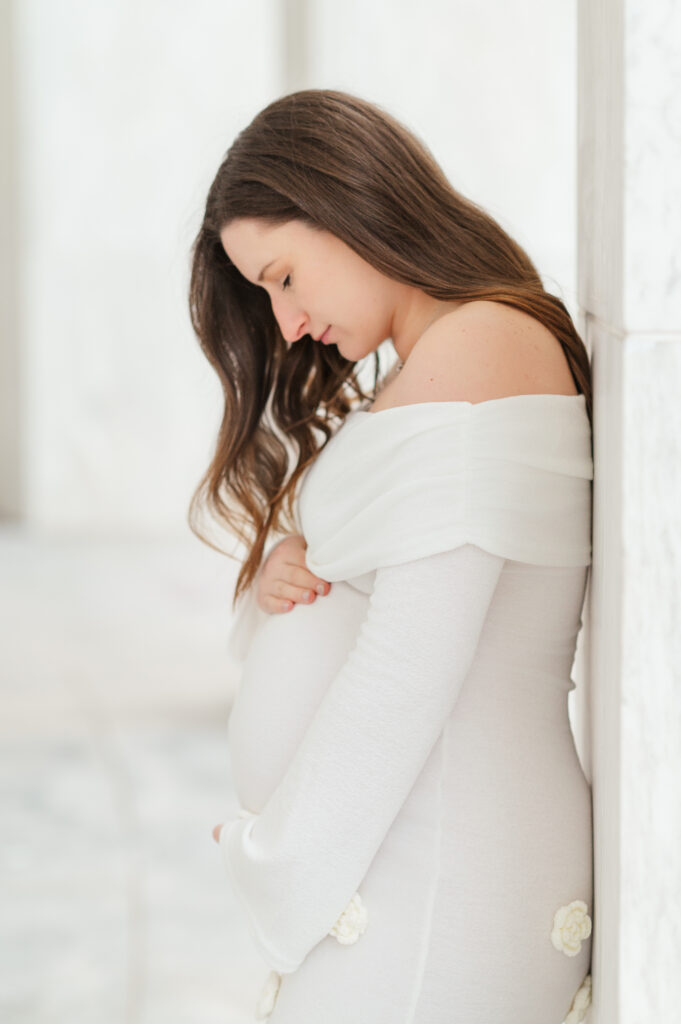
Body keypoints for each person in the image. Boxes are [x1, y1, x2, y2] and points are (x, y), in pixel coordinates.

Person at [188, 89, 594, 1024]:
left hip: (441, 864)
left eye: (284, 276)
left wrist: (272, 858)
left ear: (344, 200)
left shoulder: (478, 348)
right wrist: (289, 562)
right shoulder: (445, 357)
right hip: (418, 860)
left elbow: (405, 671)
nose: (285, 323)